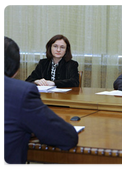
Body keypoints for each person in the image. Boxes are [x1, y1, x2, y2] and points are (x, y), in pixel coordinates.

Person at [2, 36, 79, 165]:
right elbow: (29, 80)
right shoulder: (42, 64)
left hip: (66, 101)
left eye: (62, 47)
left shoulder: (71, 64)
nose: (58, 50)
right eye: (55, 46)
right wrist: (36, 81)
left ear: (67, 50)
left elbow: (74, 81)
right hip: (44, 102)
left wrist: (53, 82)